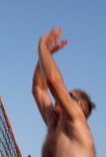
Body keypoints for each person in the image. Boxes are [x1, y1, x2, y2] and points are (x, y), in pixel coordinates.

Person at [32, 27, 96, 157]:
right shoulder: (53, 123)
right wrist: (45, 57)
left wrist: (42, 44)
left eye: (69, 95)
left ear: (80, 106)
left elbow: (53, 81)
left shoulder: (77, 120)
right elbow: (39, 88)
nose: (62, 96)